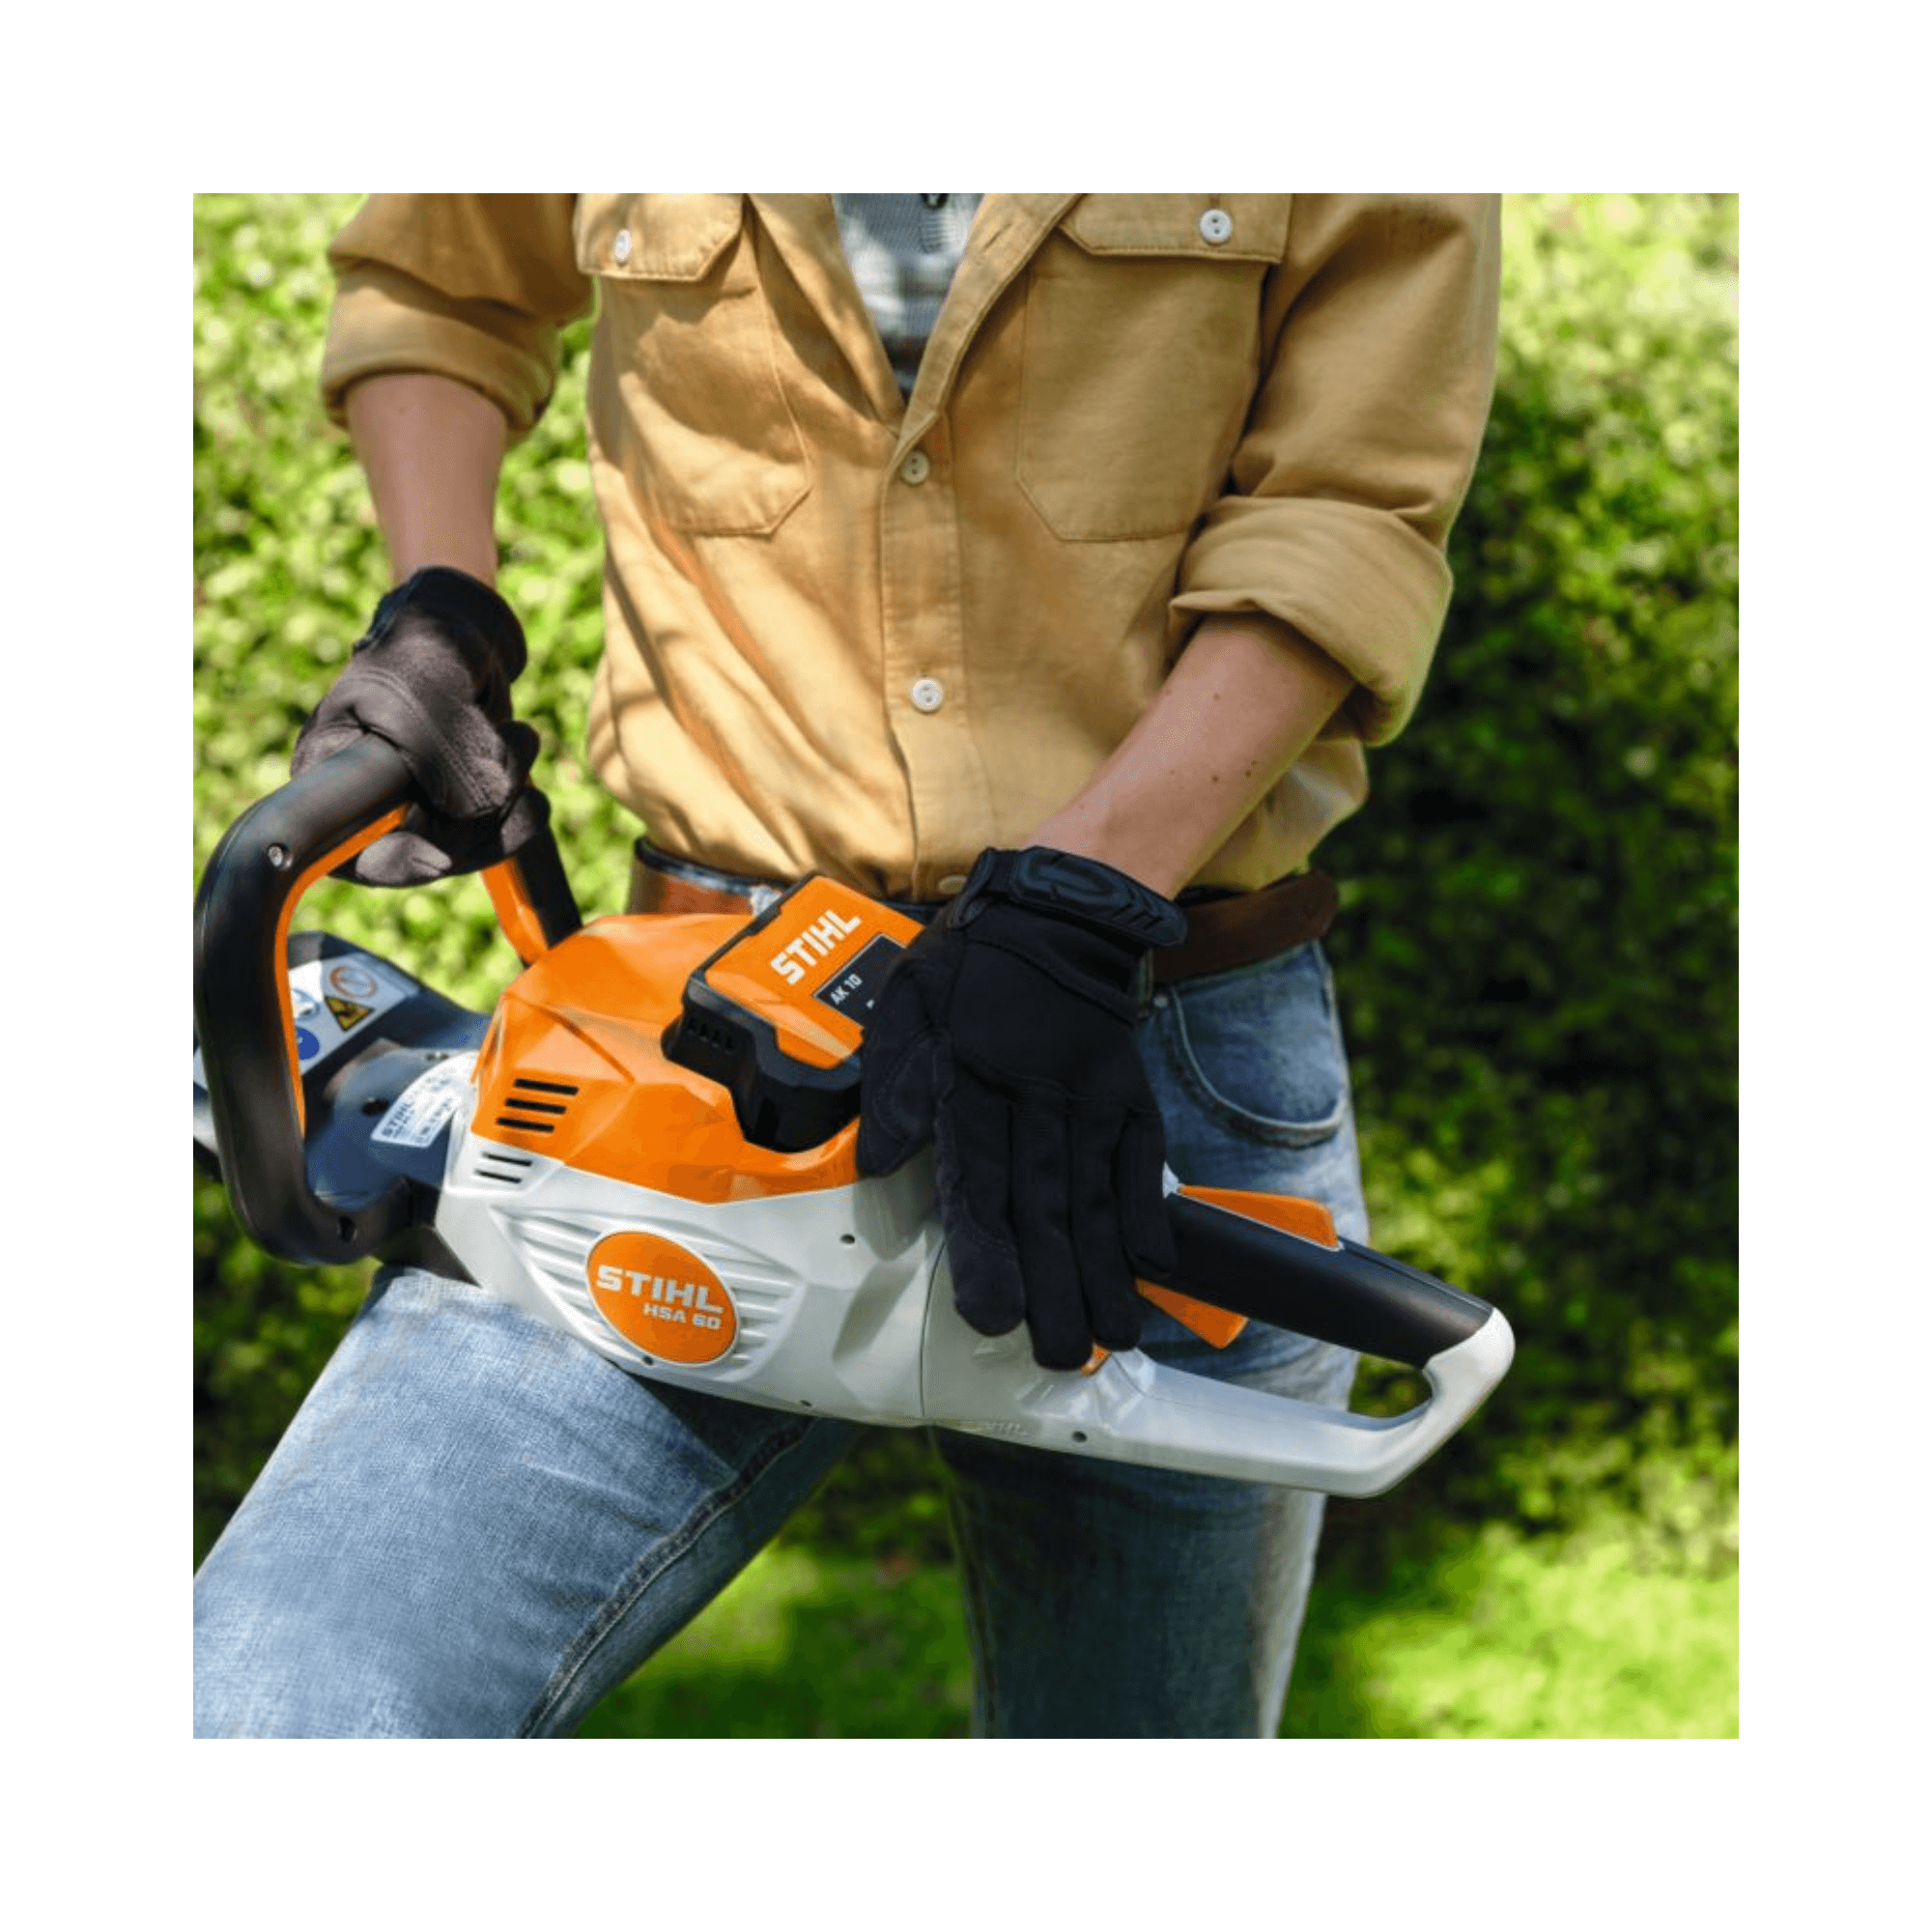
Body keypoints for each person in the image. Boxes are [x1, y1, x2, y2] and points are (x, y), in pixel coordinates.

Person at [193, 193, 1500, 1738]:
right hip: (684, 1074)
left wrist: (1089, 890)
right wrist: (441, 612)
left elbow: (1350, 499)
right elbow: (434, 286)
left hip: (1138, 1045)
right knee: (271, 1717)